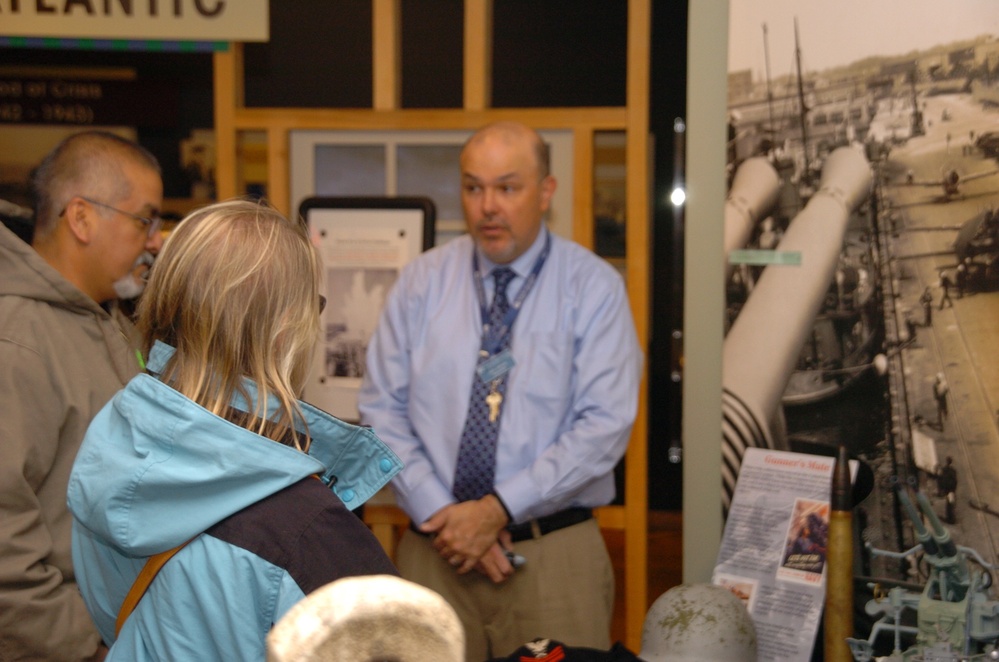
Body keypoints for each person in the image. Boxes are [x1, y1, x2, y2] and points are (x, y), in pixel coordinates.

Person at [66, 199, 402, 661]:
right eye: (313, 307)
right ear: (286, 330)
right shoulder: (305, 531)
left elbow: (113, 613)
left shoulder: (110, 452)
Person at [358, 121, 643, 660]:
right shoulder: (421, 283)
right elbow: (381, 410)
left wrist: (497, 510)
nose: (488, 205)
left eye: (507, 188)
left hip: (550, 556)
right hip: (432, 551)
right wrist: (446, 514)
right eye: (473, 187)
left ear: (546, 192)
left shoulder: (593, 288)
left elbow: (604, 426)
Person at [0, 130, 164, 661]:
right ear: (82, 217)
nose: (154, 239)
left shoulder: (108, 322)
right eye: (145, 219)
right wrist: (85, 647)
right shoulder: (16, 340)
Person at [937, 456, 958, 524]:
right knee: (951, 503)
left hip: (947, 489)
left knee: (949, 504)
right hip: (952, 490)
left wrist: (941, 489)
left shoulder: (944, 469)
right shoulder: (953, 470)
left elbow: (941, 479)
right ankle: (952, 518)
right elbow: (955, 481)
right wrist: (954, 489)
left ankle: (951, 519)